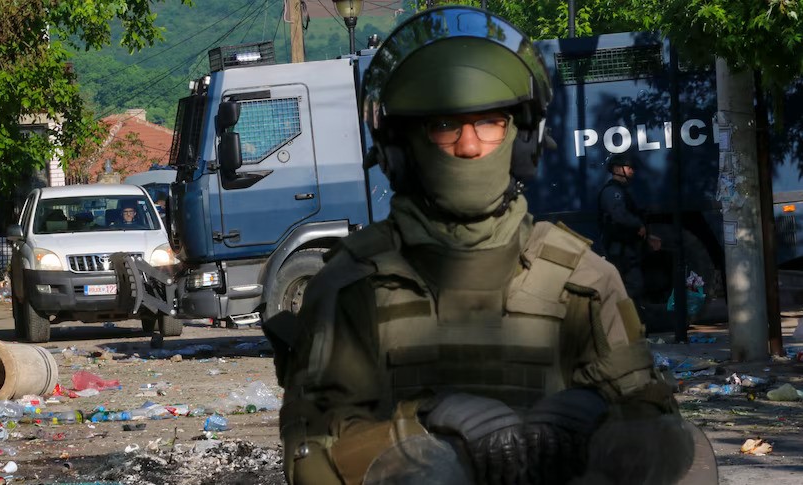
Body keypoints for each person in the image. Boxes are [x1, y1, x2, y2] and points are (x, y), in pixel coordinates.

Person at [265, 6, 707, 485]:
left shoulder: (584, 281)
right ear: (400, 146)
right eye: (445, 126)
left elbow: (663, 443)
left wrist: (597, 416)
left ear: (523, 140)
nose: (470, 146)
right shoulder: (351, 287)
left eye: (491, 122)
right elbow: (310, 457)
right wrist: (422, 430)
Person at [597, 154, 661, 311]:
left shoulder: (620, 191)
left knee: (632, 288)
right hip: (620, 252)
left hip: (627, 250)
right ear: (618, 169)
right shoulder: (612, 191)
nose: (632, 170)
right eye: (628, 167)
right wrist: (638, 224)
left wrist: (646, 235)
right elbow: (619, 215)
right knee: (632, 287)